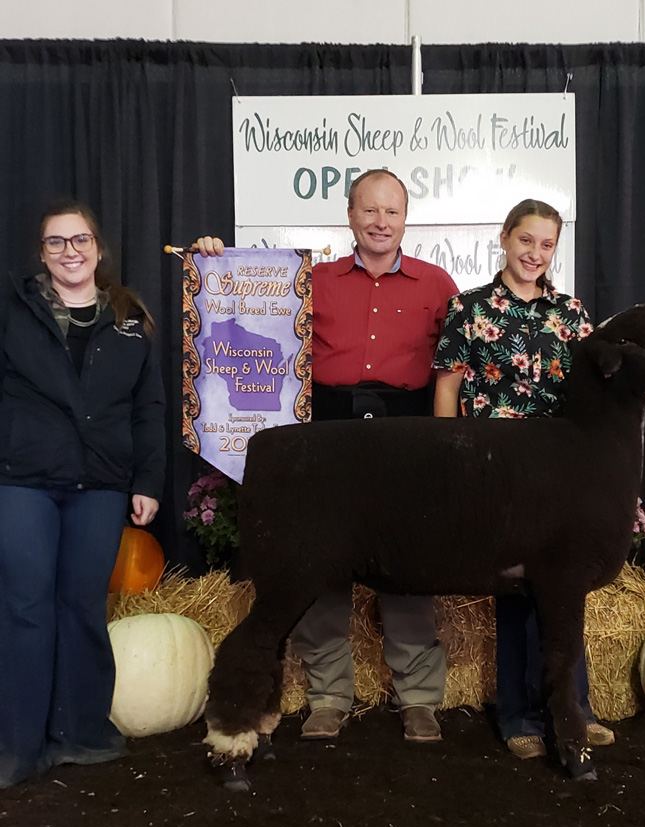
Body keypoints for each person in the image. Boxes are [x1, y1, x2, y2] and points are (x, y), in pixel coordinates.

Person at [195, 168, 458, 743]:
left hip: (407, 433)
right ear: (349, 215)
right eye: (369, 210)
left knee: (411, 563)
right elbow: (248, 313)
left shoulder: (439, 285)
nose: (380, 222)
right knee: (320, 561)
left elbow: (455, 370)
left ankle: (417, 699)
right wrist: (214, 263)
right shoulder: (311, 279)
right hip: (328, 429)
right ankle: (329, 695)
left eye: (391, 211)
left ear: (406, 218)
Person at [433, 198, 625, 761]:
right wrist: (449, 458)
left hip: (564, 476)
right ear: (504, 238)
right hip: (497, 473)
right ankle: (518, 715)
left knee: (564, 597)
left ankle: (576, 709)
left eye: (546, 245)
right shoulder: (467, 309)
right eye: (526, 241)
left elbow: (598, 393)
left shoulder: (572, 314)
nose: (534, 254)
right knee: (517, 594)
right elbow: (447, 389)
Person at [0, 200, 165, 788]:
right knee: (24, 607)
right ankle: (17, 748)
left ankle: (81, 734)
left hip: (100, 481)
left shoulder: (128, 317)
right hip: (24, 479)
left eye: (80, 240)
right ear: (41, 253)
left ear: (99, 248)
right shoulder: (14, 312)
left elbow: (149, 408)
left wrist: (147, 481)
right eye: (56, 242)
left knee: (81, 606)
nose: (70, 251)